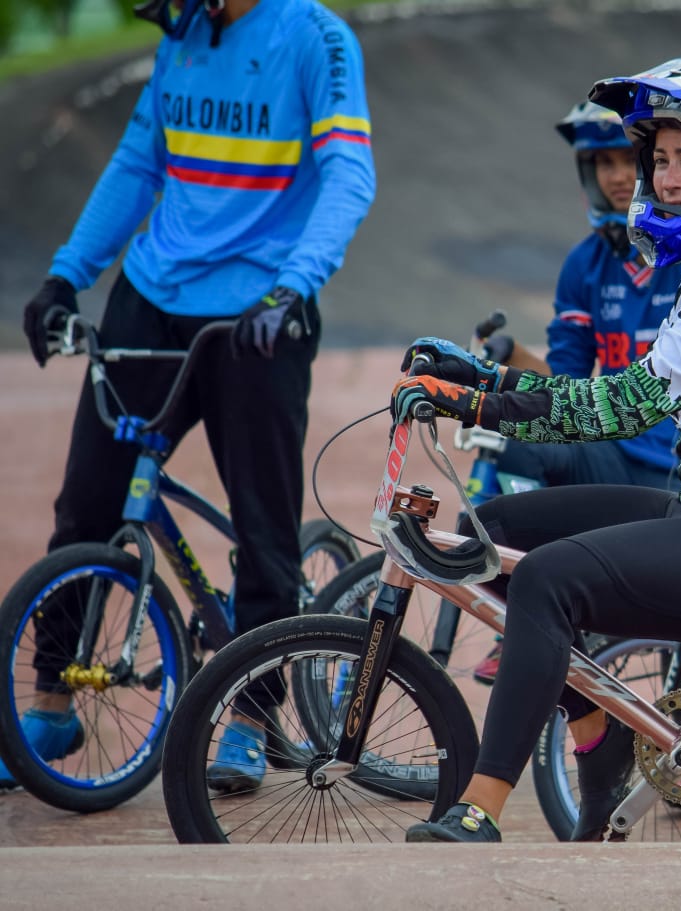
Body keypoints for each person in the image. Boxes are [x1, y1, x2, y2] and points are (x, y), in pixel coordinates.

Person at [389, 54, 681, 844]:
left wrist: (482, 400)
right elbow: (611, 388)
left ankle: (479, 809)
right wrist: (483, 372)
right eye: (659, 158)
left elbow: (624, 405)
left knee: (550, 583)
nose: (663, 178)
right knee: (497, 529)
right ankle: (599, 728)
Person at [4, 0, 375, 792]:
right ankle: (49, 703)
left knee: (263, 530)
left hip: (260, 313)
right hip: (152, 293)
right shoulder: (184, 35)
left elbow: (350, 173)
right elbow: (139, 163)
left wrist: (294, 287)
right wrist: (67, 273)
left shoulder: (315, 38)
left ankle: (251, 714)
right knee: (86, 507)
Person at [458, 102, 681, 684]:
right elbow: (561, 387)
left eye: (625, 160)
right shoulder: (583, 265)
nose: (615, 176)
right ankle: (529, 616)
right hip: (613, 452)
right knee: (516, 435)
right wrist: (501, 366)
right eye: (600, 163)